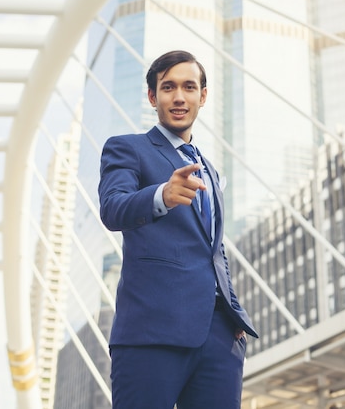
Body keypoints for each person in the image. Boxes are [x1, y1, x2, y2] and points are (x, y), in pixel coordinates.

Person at [98, 50, 258, 409]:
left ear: (203, 96)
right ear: (153, 97)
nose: (179, 97)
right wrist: (162, 195)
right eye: (168, 87)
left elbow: (213, 250)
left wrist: (233, 315)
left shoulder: (211, 172)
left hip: (219, 340)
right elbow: (112, 208)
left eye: (189, 87)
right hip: (151, 333)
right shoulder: (128, 149)